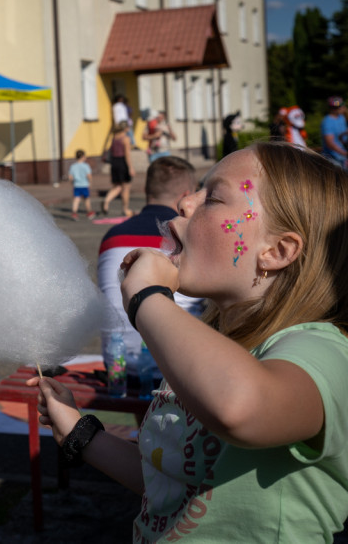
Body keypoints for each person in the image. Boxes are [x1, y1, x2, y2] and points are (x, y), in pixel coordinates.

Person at [31, 142, 348, 542]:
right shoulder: (211, 348)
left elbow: (240, 409)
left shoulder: (325, 352)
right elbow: (171, 485)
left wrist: (147, 297)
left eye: (211, 197)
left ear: (276, 251)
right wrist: (80, 434)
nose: (184, 202)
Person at [97, 156, 203, 371]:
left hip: (118, 368)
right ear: (185, 197)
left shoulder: (112, 237)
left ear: (148, 192)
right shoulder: (190, 238)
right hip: (179, 374)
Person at [102, 123, 134, 217]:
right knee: (126, 188)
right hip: (122, 163)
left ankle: (106, 201)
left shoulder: (114, 137)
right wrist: (131, 167)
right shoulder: (125, 139)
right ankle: (125, 209)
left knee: (117, 187)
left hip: (114, 163)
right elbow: (127, 155)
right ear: (126, 128)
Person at [68, 149, 95, 221]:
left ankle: (74, 213)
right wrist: (90, 183)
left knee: (76, 199)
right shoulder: (86, 166)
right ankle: (89, 212)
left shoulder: (73, 166)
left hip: (77, 185)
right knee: (87, 199)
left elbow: (70, 177)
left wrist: (72, 183)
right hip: (84, 185)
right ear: (83, 156)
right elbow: (89, 175)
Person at [321, 96, 347, 168]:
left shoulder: (341, 118)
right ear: (334, 109)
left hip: (343, 157)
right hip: (332, 158)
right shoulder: (327, 122)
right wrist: (344, 153)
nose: (343, 108)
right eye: (340, 106)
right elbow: (330, 143)